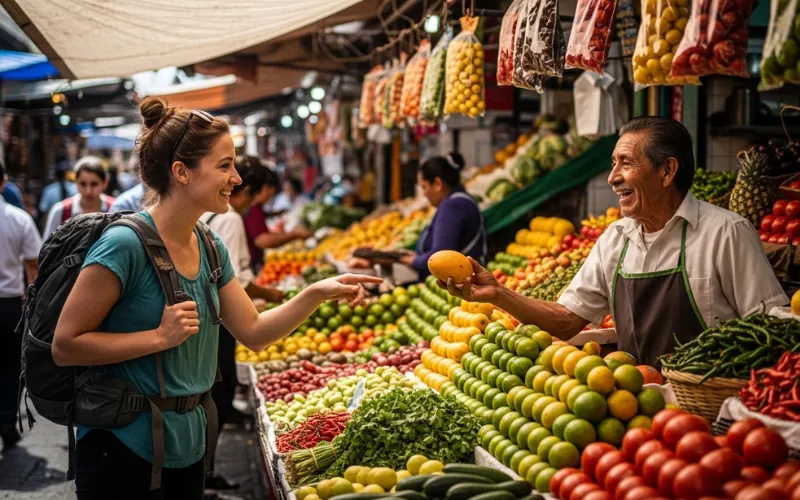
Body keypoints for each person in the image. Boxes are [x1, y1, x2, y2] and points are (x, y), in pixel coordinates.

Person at [51, 97, 380, 499]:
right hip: (122, 448)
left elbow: (254, 333)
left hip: (190, 447)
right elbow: (65, 346)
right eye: (224, 166)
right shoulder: (124, 245)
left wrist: (316, 293)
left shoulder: (209, 245)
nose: (237, 178)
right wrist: (157, 338)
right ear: (181, 172)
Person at [441, 117, 787, 367]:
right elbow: (567, 320)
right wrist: (499, 294)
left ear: (667, 171)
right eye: (613, 164)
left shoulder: (726, 234)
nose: (612, 178)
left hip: (709, 411)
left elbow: (774, 330)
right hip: (638, 407)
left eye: (625, 163)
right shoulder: (615, 239)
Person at [201, 155, 284, 491]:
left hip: (211, 316)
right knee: (216, 395)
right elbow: (231, 281)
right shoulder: (231, 218)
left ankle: (201, 474)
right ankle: (204, 474)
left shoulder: (206, 215)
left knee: (210, 394)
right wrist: (275, 296)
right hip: (220, 320)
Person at [0, 159, 42, 449]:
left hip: (11, 303)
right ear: (3, 183)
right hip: (9, 306)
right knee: (10, 366)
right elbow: (33, 265)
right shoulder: (18, 218)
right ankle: (5, 419)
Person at [398, 152, 487, 278]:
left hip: (461, 286)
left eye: (424, 187)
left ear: (437, 184)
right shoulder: (461, 200)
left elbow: (440, 256)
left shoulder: (452, 206)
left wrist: (414, 261)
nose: (424, 194)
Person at [240, 156, 311, 271]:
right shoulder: (253, 208)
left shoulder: (255, 208)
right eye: (268, 193)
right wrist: (294, 234)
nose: (269, 198)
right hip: (250, 267)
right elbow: (262, 241)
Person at [42, 157, 115, 239]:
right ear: (75, 182)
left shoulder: (115, 208)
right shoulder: (61, 211)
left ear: (105, 183)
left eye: (94, 184)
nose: (88, 191)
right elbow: (47, 247)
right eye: (83, 184)